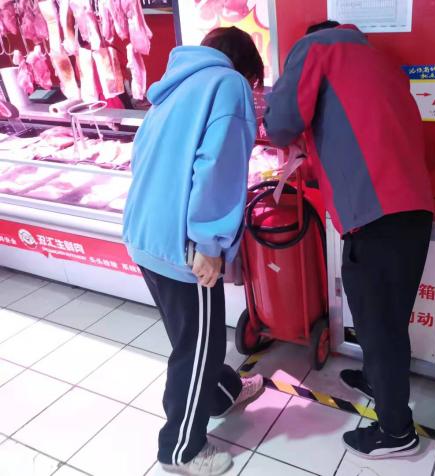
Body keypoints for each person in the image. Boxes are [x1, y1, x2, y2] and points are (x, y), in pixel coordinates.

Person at [264, 21, 435, 459]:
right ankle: (378, 382)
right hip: (414, 210)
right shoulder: (381, 63)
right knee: (389, 319)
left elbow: (280, 123)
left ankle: (397, 432)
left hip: (374, 215)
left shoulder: (316, 49)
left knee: (378, 326)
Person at [123, 27, 265, 476]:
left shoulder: (173, 85)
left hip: (145, 233)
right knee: (197, 348)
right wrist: (209, 241)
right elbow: (217, 166)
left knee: (194, 338)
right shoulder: (229, 84)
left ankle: (224, 393)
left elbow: (141, 154)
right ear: (246, 68)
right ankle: (181, 449)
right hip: (185, 245)